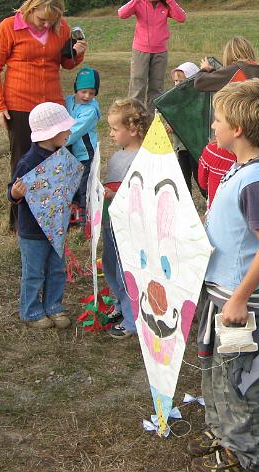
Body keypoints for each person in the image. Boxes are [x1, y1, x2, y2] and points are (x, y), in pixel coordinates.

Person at [188, 79, 259, 472]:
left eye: (217, 120)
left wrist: (240, 298)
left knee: (239, 380)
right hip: (220, 293)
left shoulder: (256, 181)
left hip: (242, 303)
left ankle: (246, 456)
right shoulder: (239, 168)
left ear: (238, 129)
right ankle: (223, 438)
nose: (213, 127)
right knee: (216, 370)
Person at [0, 0, 87, 230]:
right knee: (23, 161)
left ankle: (52, 214)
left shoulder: (61, 28)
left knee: (55, 160)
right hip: (19, 104)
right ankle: (20, 221)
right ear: (31, 8)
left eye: (51, 21)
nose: (45, 25)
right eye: (41, 19)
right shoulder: (9, 27)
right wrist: (0, 105)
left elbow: (64, 63)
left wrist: (77, 54)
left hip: (52, 106)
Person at [8, 102, 78, 329]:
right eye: (65, 129)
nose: (69, 132)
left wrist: (73, 204)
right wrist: (15, 193)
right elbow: (13, 190)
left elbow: (67, 186)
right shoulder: (28, 161)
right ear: (52, 133)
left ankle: (54, 306)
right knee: (34, 272)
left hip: (56, 228)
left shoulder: (62, 155)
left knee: (57, 269)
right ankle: (30, 310)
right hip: (33, 232)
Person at [195, 37, 259, 206]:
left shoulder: (235, 69)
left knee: (227, 179)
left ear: (230, 55)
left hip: (233, 135)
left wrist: (205, 70)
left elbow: (200, 83)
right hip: (254, 137)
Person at [102, 98, 152, 339]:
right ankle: (121, 305)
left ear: (133, 130)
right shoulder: (118, 156)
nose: (111, 134)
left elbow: (141, 194)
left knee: (128, 270)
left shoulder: (145, 158)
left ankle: (133, 320)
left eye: (114, 129)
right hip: (112, 224)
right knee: (112, 265)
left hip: (132, 229)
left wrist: (115, 194)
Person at [118, 0, 186, 109]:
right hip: (140, 50)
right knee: (138, 85)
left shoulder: (165, 6)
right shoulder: (139, 3)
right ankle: (134, 118)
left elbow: (182, 17)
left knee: (157, 87)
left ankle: (151, 119)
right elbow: (122, 14)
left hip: (160, 51)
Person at [65, 67, 101, 225]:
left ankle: (84, 221)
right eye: (83, 91)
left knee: (83, 187)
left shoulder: (90, 111)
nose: (87, 96)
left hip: (85, 154)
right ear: (76, 89)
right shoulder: (68, 101)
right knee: (71, 183)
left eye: (92, 93)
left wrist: (55, 142)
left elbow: (73, 132)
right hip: (71, 154)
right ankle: (72, 216)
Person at [167, 62, 203, 196]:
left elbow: (193, 119)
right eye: (175, 81)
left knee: (198, 174)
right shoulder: (176, 98)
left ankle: (208, 198)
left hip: (193, 146)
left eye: (181, 81)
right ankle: (186, 202)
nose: (177, 84)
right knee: (183, 175)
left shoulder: (196, 99)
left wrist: (175, 124)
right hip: (181, 146)